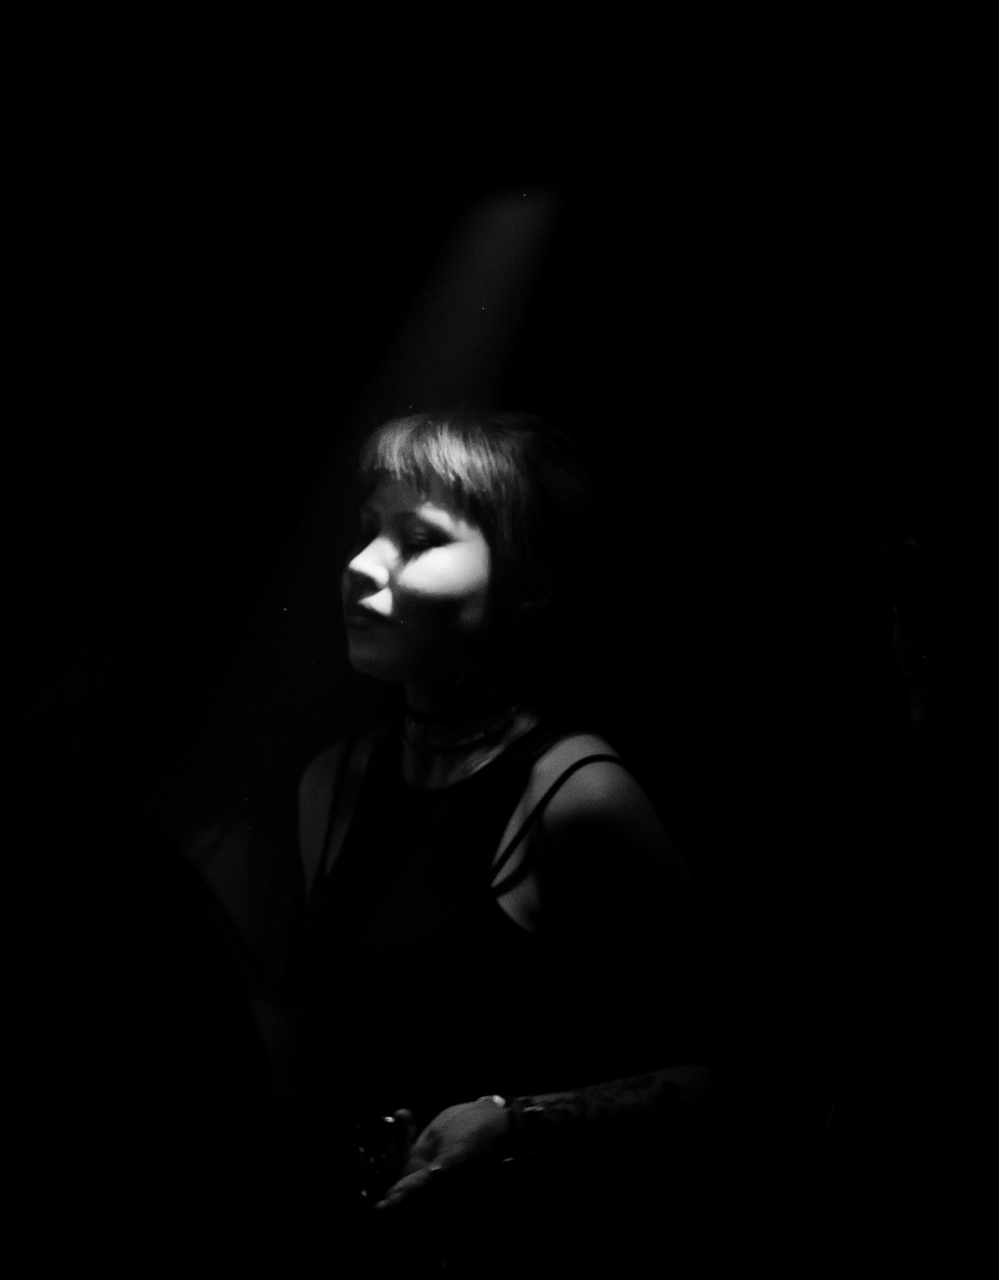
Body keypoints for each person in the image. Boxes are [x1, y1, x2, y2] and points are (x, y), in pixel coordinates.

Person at [254, 410, 719, 1273]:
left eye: (419, 538)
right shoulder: (332, 782)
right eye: (368, 529)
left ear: (529, 586)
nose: (361, 565)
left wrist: (514, 1122)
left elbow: (737, 1069)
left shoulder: (577, 796)